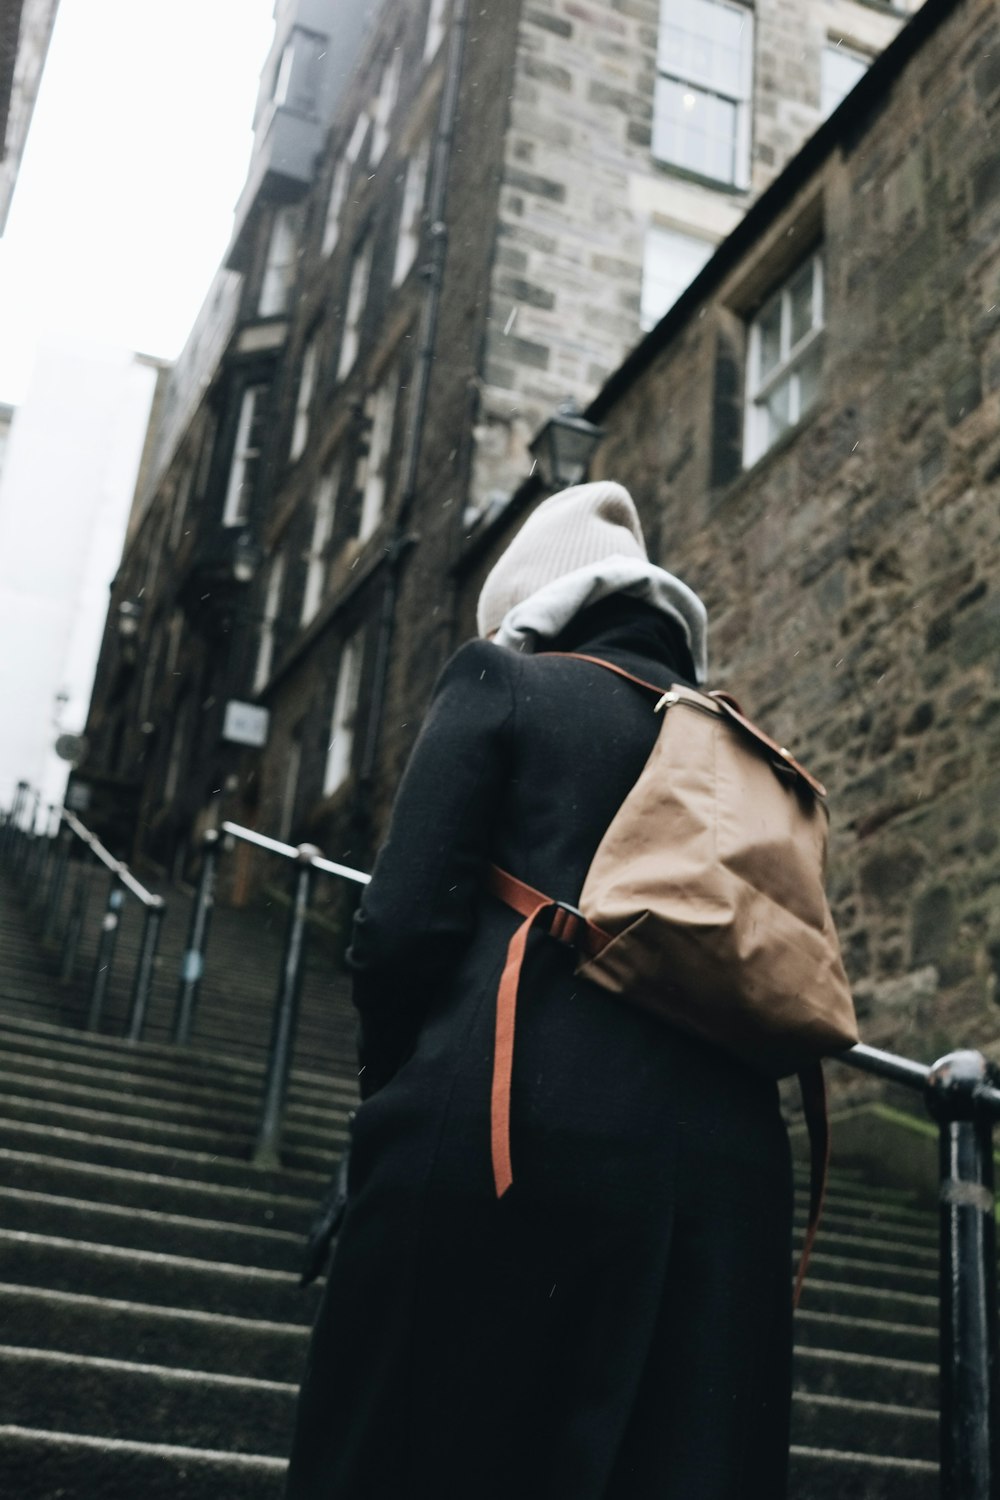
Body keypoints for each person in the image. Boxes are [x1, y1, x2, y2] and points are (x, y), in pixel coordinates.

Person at [284, 481, 793, 1500]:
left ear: (528, 609)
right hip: (729, 1178)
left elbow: (397, 932)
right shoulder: (745, 754)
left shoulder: (504, 684)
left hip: (512, 1133)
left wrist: (384, 1115)